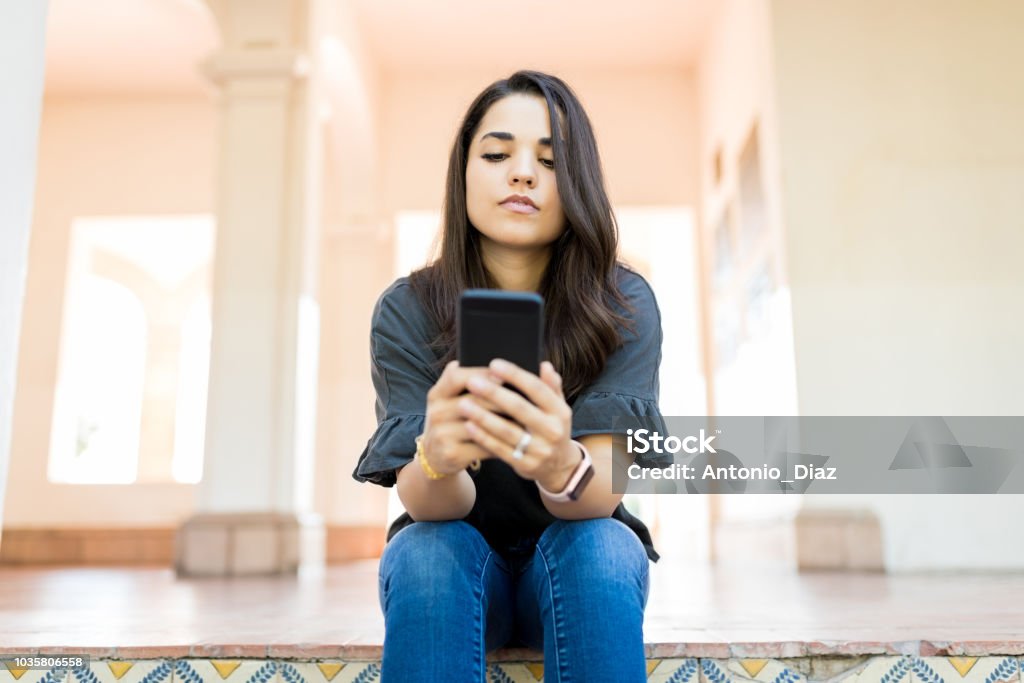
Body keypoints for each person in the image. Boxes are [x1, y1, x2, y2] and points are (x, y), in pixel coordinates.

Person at [353, 70, 668, 682]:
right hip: (456, 556)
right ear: (463, 173)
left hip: (577, 548)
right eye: (497, 153)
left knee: (602, 547)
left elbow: (600, 494)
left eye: (549, 162)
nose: (521, 173)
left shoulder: (624, 303)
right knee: (422, 552)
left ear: (578, 183)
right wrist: (438, 455)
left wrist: (557, 462)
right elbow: (426, 505)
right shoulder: (408, 308)